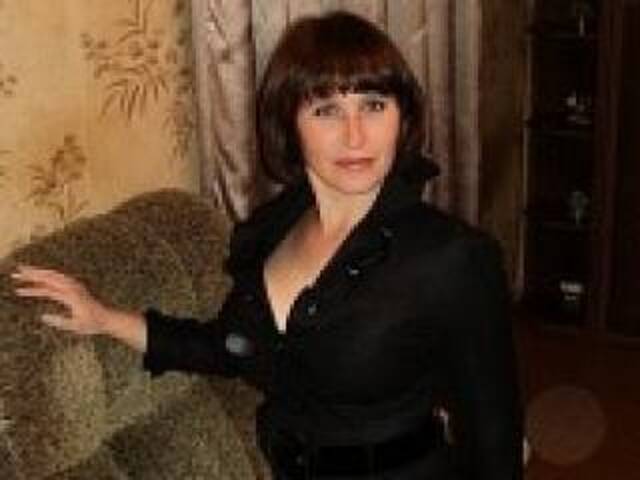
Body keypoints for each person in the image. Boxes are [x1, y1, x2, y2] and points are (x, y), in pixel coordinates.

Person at [12, 10, 523, 480]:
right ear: (289, 125)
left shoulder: (452, 257)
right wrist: (104, 318)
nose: (354, 135)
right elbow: (231, 347)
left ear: (403, 118)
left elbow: (494, 437)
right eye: (325, 109)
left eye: (373, 105)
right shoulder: (272, 232)